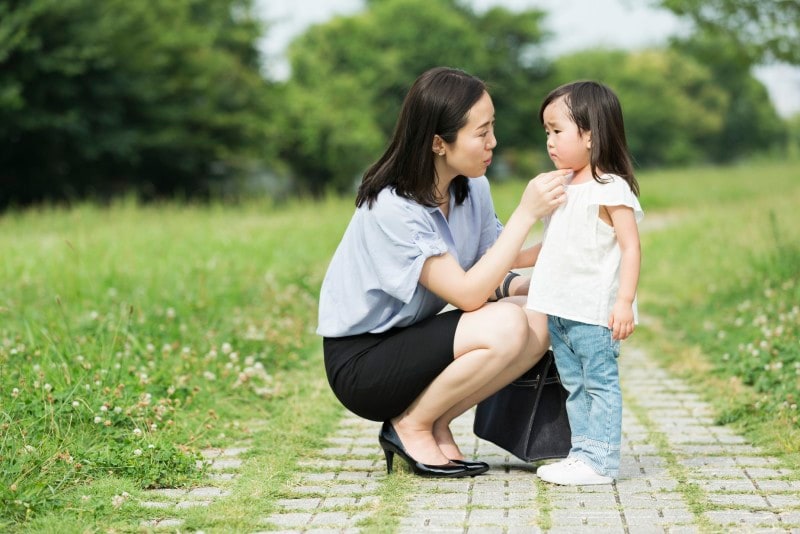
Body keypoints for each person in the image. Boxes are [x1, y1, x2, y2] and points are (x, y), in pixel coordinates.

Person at [317, 66, 570, 478]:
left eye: (493, 129)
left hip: (413, 343)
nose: (493, 142)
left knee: (539, 313)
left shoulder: (472, 188)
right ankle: (410, 425)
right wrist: (527, 212)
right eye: (482, 132)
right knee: (506, 322)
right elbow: (470, 294)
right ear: (438, 142)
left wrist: (567, 256)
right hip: (363, 362)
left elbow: (495, 267)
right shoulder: (393, 207)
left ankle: (434, 422)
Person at [525, 81, 643, 485]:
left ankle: (602, 462)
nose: (550, 141)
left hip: (593, 312)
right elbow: (551, 246)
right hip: (560, 310)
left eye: (557, 131)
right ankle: (582, 453)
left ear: (590, 134)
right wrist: (506, 257)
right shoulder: (560, 187)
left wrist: (624, 302)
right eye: (547, 132)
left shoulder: (611, 189)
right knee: (574, 386)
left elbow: (630, 247)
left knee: (599, 384)